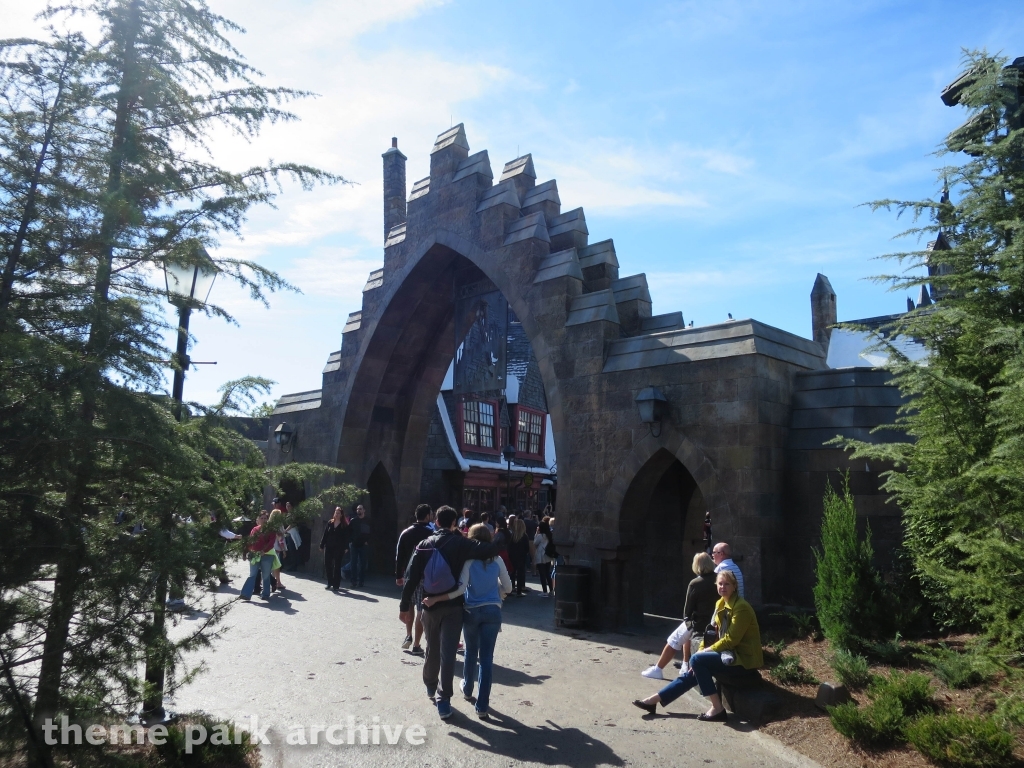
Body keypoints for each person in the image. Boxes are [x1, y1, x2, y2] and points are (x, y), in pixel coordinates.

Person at [398, 506, 500, 720]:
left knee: (432, 649)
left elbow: (412, 578)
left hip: (429, 605)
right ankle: (444, 700)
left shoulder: (423, 545)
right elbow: (488, 550)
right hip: (454, 606)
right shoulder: (461, 543)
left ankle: (429, 685)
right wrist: (502, 531)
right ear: (454, 523)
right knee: (448, 654)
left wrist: (404, 606)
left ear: (435, 521)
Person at [632, 569, 763, 721]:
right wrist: (700, 652)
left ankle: (717, 708)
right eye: (720, 584)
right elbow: (709, 635)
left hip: (743, 661)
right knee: (694, 668)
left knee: (698, 661)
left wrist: (701, 654)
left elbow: (731, 640)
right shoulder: (720, 603)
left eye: (727, 584)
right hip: (728, 655)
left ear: (734, 586)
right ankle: (655, 700)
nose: (723, 587)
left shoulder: (741, 607)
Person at [423, 524, 511, 719]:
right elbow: (509, 587)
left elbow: (460, 589)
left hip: (471, 610)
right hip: (492, 611)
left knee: (471, 651)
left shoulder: (469, 561)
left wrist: (437, 599)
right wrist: (499, 594)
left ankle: (468, 687)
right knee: (487, 658)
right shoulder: (497, 560)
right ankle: (482, 706)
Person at [641, 552, 718, 679]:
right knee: (682, 637)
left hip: (699, 623)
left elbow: (687, 611)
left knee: (673, 640)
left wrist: (689, 625)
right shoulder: (719, 580)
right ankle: (684, 665)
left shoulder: (695, 583)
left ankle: (658, 669)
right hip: (714, 622)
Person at [395, 504, 435, 652]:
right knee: (421, 608)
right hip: (425, 574)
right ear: (427, 516)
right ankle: (417, 644)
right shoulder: (431, 534)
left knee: (409, 603)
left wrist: (399, 575)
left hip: (408, 572)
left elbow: (399, 556)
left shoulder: (405, 533)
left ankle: (408, 635)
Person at [240, 512, 276, 601]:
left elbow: (271, 542)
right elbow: (250, 541)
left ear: (268, 519)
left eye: (265, 518)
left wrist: (264, 550)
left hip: (267, 555)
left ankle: (265, 594)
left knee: (266, 576)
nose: (263, 520)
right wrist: (245, 552)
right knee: (252, 575)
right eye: (262, 518)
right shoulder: (255, 529)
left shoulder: (271, 530)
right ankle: (246, 594)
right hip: (254, 555)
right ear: (258, 519)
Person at [319, 507, 350, 591]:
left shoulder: (344, 525)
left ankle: (336, 584)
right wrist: (321, 545)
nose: (337, 514)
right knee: (328, 564)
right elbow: (325, 534)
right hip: (329, 546)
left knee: (337, 566)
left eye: (338, 513)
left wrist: (346, 547)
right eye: (336, 512)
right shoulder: (330, 522)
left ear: (341, 514)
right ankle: (330, 582)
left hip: (339, 547)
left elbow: (346, 537)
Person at [349, 504, 371, 588]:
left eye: (360, 509)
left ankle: (361, 581)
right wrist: (350, 541)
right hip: (354, 545)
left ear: (364, 510)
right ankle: (353, 581)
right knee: (353, 564)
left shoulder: (368, 521)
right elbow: (349, 532)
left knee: (362, 564)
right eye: (358, 509)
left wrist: (368, 541)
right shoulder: (353, 521)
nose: (359, 510)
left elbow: (372, 532)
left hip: (363, 545)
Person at [507, 518, 531, 596]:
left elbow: (509, 547)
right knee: (520, 573)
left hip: (513, 556)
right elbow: (527, 548)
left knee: (512, 573)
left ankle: (512, 587)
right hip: (521, 556)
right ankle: (519, 591)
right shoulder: (524, 536)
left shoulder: (512, 535)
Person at [533, 519, 554, 596]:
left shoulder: (540, 536)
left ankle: (544, 591)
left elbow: (535, 543)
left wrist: (536, 533)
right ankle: (551, 590)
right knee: (547, 573)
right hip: (547, 555)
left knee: (542, 574)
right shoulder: (549, 535)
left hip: (541, 555)